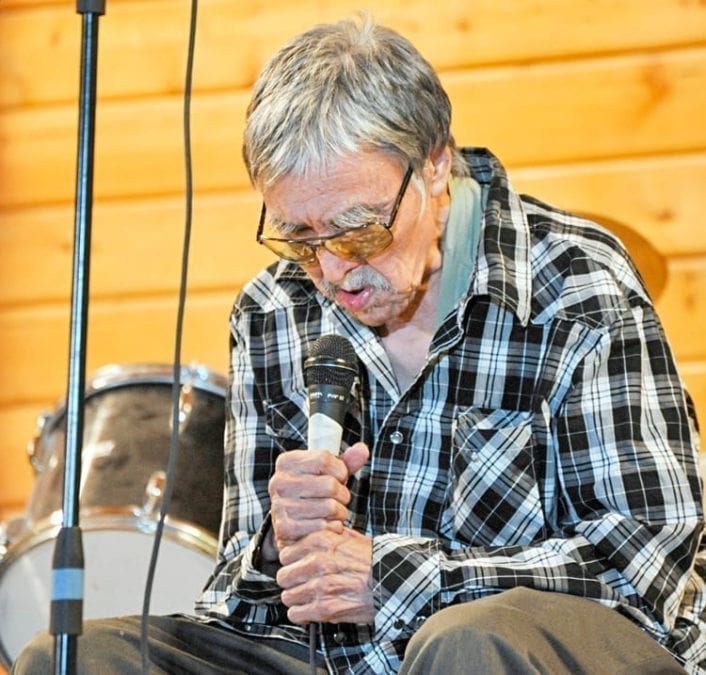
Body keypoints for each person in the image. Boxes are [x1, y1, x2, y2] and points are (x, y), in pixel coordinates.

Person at [12, 14, 706, 675]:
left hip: (544, 652)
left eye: (359, 229)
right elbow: (237, 604)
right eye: (301, 238)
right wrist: (280, 543)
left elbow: (645, 560)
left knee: (466, 640)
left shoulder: (575, 281)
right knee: (74, 656)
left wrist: (392, 576)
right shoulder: (273, 309)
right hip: (343, 657)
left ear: (436, 166)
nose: (335, 270)